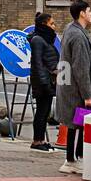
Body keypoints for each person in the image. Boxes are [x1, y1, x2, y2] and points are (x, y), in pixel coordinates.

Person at [57, 0, 91, 173]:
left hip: (71, 89)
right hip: (77, 92)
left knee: (76, 124)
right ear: (82, 13)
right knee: (77, 125)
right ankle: (71, 160)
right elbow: (81, 67)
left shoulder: (72, 31)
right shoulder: (78, 36)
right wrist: (88, 95)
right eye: (89, 11)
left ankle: (74, 159)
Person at [29, 12, 59, 152]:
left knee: (45, 111)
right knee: (41, 112)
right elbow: (38, 64)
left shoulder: (46, 39)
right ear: (44, 25)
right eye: (51, 23)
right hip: (43, 82)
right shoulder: (38, 40)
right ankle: (37, 140)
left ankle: (41, 139)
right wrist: (44, 83)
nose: (54, 26)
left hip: (48, 81)